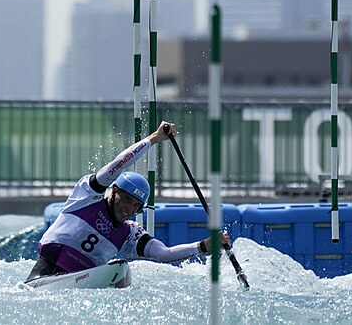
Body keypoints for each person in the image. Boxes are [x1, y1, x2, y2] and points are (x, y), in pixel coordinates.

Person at [26, 121, 230, 282]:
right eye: (126, 199)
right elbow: (119, 163)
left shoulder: (129, 234)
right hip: (46, 269)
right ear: (114, 191)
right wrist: (154, 138)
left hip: (83, 282)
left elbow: (163, 253)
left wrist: (204, 246)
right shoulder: (88, 195)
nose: (129, 209)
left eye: (136, 206)